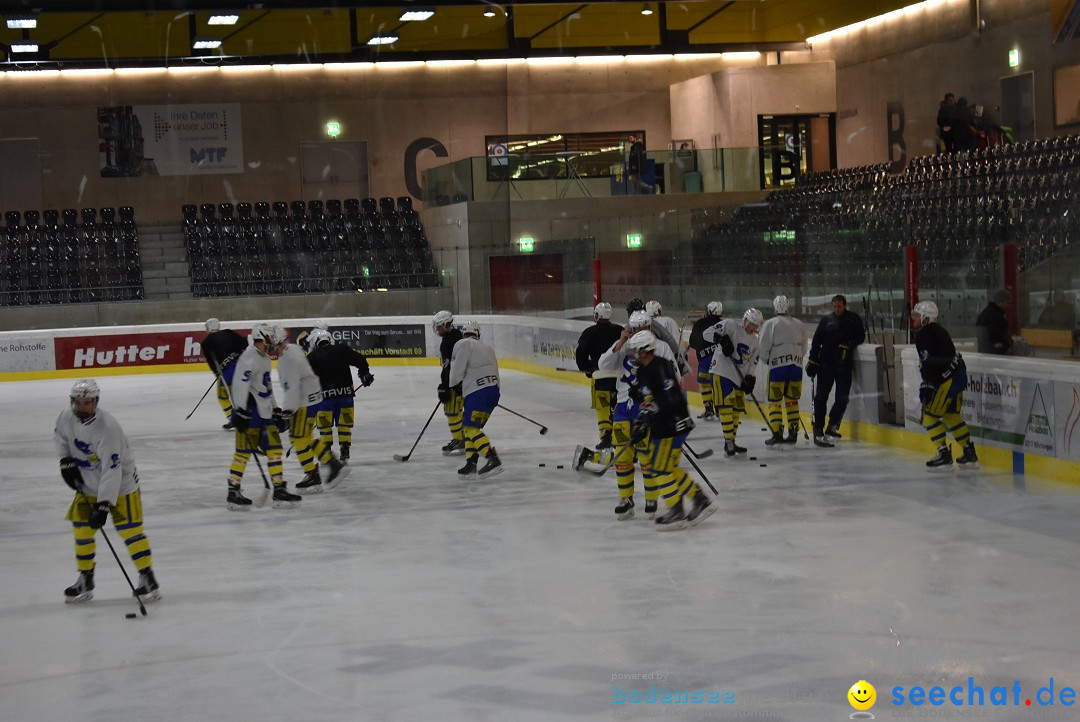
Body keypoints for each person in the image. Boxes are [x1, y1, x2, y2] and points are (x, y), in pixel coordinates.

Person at [56, 379, 161, 603]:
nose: (82, 407)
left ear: (96, 402)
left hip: (122, 487)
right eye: (78, 402)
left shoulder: (108, 428)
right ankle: (86, 579)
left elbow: (112, 471)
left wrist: (103, 504)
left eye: (87, 403)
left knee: (130, 531)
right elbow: (61, 437)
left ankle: (147, 577)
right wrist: (65, 460)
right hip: (88, 484)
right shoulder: (66, 418)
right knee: (82, 531)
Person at [592, 310, 679, 520]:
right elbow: (603, 365)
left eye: (642, 328)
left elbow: (673, 377)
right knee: (622, 456)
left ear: (649, 327)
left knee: (647, 457)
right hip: (623, 407)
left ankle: (651, 498)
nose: (637, 332)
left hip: (648, 409)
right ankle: (625, 498)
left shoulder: (662, 348)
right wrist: (619, 344)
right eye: (633, 329)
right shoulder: (624, 347)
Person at [626, 330, 715, 530]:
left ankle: (676, 510)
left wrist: (649, 417)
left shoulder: (660, 366)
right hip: (664, 426)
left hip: (671, 426)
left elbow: (669, 400)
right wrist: (642, 415)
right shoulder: (643, 371)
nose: (634, 355)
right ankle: (699, 499)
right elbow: (650, 399)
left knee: (659, 468)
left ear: (645, 350)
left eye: (636, 351)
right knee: (669, 468)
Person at [227, 323, 301, 510]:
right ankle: (233, 491)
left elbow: (266, 387)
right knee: (242, 454)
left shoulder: (265, 358)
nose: (272, 344)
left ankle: (278, 489)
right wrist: (240, 411)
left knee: (275, 450)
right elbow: (239, 385)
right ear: (261, 337)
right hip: (250, 414)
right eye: (269, 340)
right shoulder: (249, 357)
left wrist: (276, 410)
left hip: (265, 414)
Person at [277, 329, 348, 494]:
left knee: (297, 437)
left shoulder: (288, 359)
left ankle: (324, 468)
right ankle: (318, 470)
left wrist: (287, 411)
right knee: (305, 437)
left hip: (304, 403)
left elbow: (292, 388)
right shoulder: (293, 350)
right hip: (313, 400)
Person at [912, 301, 978, 468]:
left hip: (947, 380)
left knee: (929, 417)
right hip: (958, 376)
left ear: (926, 319)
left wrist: (928, 382)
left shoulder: (924, 334)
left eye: (917, 315)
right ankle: (968, 451)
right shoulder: (940, 330)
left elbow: (929, 362)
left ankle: (943, 452)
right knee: (951, 415)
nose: (913, 318)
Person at [306, 325, 374, 465]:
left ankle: (327, 453)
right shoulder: (342, 349)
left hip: (324, 399)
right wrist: (364, 375)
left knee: (325, 427)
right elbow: (361, 360)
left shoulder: (312, 356)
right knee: (344, 425)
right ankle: (345, 450)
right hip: (346, 396)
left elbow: (305, 378)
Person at [805, 294, 865, 446]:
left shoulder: (853, 319)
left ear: (845, 305)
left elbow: (861, 336)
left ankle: (832, 425)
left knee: (842, 398)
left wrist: (850, 345)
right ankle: (818, 427)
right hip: (826, 365)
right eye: (834, 306)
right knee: (821, 398)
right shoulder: (827, 320)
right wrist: (813, 360)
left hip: (844, 366)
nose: (836, 309)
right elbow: (816, 341)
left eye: (839, 306)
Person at [703, 308, 763, 457]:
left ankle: (731, 441)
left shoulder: (755, 342)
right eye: (752, 324)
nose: (753, 328)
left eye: (756, 326)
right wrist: (720, 339)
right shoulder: (730, 326)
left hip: (738, 377)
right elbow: (706, 333)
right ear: (745, 321)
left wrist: (750, 377)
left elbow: (752, 364)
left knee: (736, 410)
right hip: (722, 371)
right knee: (726, 408)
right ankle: (729, 441)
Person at [449, 320, 503, 478]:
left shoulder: (463, 344)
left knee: (470, 429)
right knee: (470, 428)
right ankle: (471, 463)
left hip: (477, 393)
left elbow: (457, 369)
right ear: (478, 334)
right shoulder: (488, 348)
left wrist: (454, 386)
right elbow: (497, 373)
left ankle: (492, 459)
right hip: (492, 392)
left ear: (464, 333)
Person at [575, 302, 624, 449]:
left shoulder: (589, 332)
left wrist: (588, 370)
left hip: (600, 377)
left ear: (596, 315)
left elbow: (580, 354)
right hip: (619, 378)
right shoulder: (620, 330)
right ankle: (620, 438)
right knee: (617, 407)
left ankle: (605, 437)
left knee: (602, 408)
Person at [758, 295, 805, 447]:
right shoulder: (799, 324)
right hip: (796, 367)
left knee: (774, 402)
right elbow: (804, 347)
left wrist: (767, 360)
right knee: (792, 401)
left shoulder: (771, 324)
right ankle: (793, 432)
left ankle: (777, 433)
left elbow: (763, 347)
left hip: (777, 367)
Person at [201, 318, 248, 430]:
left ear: (208, 328)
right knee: (243, 394)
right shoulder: (228, 332)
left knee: (223, 396)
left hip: (226, 373)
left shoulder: (206, 343)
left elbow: (212, 363)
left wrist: (217, 374)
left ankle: (234, 418)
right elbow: (244, 343)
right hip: (242, 368)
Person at [433, 310, 466, 456]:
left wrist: (444, 386)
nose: (437, 329)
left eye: (439, 326)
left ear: (446, 325)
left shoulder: (447, 342)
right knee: (463, 412)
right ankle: (466, 438)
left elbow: (449, 367)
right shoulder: (459, 336)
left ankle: (459, 439)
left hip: (455, 384)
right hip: (466, 382)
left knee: (452, 412)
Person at [688, 301, 723, 420]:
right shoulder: (723, 323)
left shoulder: (700, 323)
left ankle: (708, 409)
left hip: (704, 359)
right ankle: (720, 409)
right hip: (720, 360)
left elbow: (692, 342)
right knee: (718, 384)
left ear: (708, 311)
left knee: (705, 384)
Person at [975, 289, 1013, 355]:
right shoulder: (996, 316)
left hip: (985, 354)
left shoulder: (985, 313)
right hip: (995, 355)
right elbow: (995, 337)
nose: (1009, 306)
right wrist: (1006, 348)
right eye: (1007, 303)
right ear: (1000, 301)